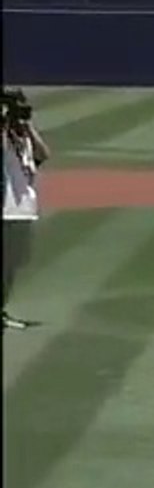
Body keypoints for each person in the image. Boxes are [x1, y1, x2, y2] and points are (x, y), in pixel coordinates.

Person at [2, 88, 51, 330]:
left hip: (22, 209)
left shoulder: (23, 138)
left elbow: (44, 154)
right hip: (5, 209)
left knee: (11, 268)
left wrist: (27, 125)